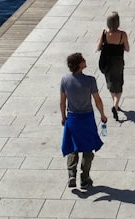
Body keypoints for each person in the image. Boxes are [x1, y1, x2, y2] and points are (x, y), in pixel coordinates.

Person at [60, 52, 108, 189]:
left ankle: (71, 174)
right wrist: (103, 115)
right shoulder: (90, 80)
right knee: (88, 149)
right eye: (83, 60)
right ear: (79, 65)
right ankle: (85, 177)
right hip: (87, 118)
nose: (85, 61)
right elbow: (97, 100)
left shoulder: (65, 80)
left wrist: (63, 116)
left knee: (72, 147)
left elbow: (62, 102)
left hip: (72, 118)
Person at [96, 11, 131, 120]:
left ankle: (115, 103)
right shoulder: (122, 34)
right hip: (117, 62)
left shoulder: (104, 33)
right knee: (119, 84)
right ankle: (115, 106)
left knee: (111, 83)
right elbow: (127, 49)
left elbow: (98, 48)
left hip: (106, 62)